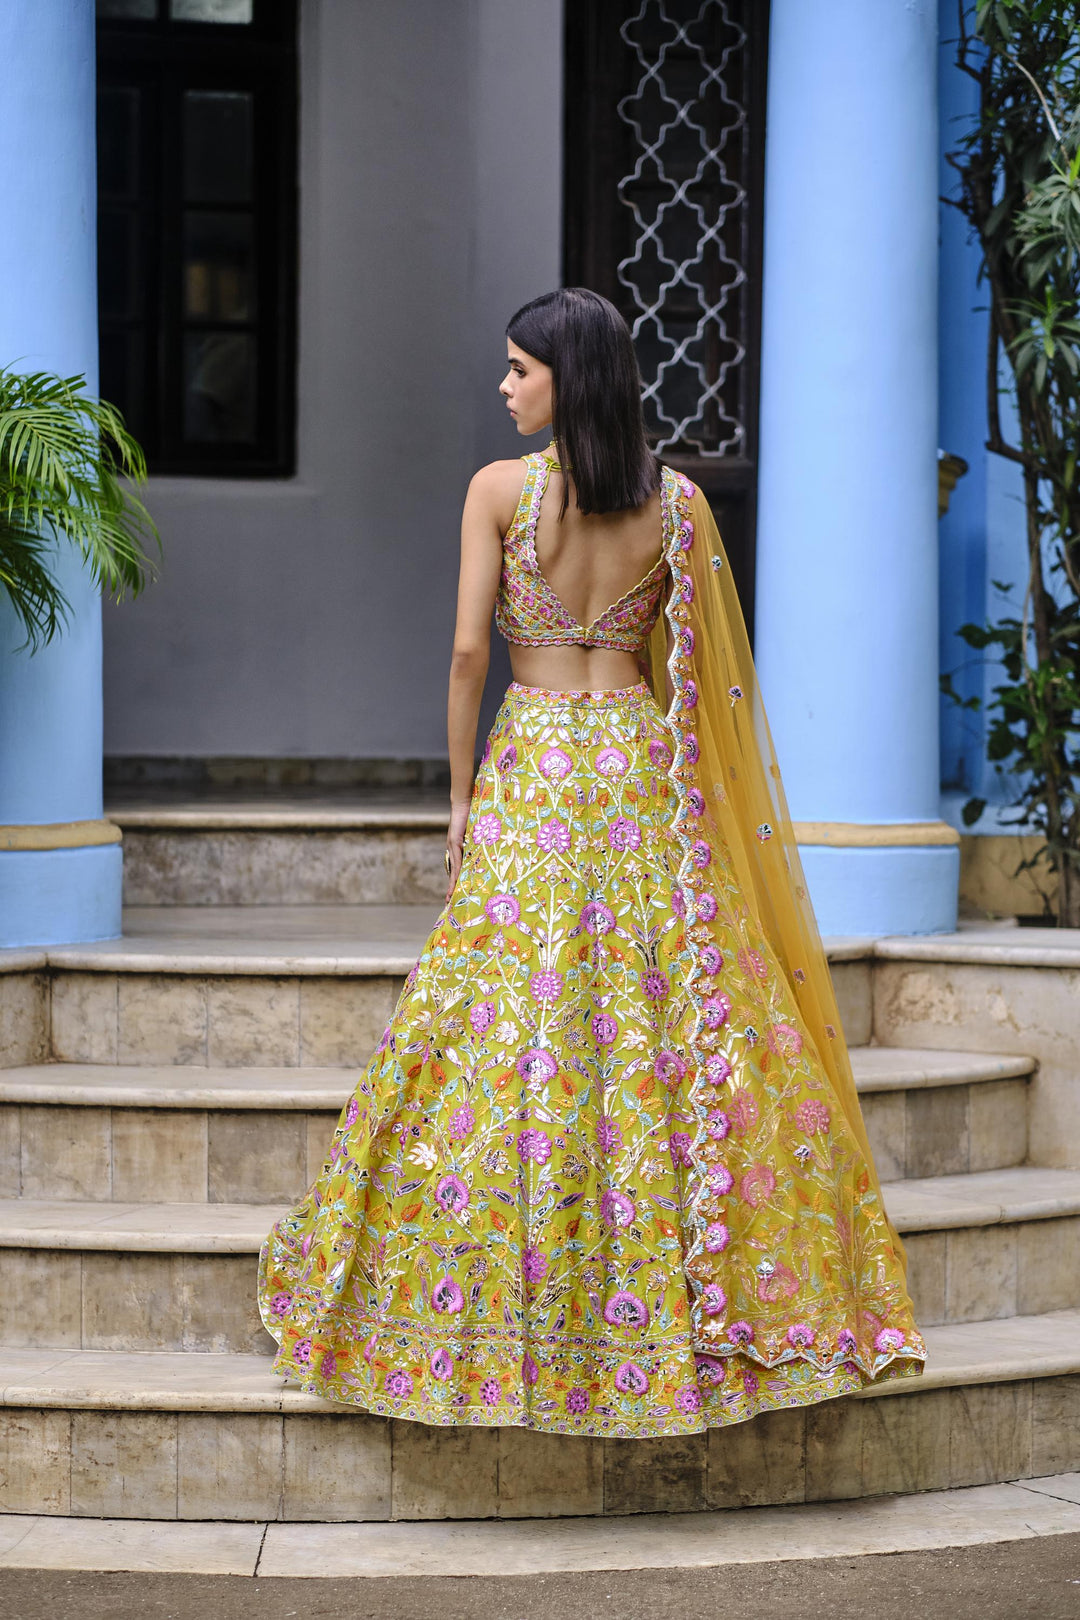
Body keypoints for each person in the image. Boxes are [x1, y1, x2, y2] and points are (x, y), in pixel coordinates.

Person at [258, 288, 925, 1438]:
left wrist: (459, 797)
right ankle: (689, 1300)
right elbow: (702, 682)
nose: (505, 386)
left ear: (568, 378)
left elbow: (469, 653)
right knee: (653, 1015)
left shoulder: (499, 492)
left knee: (502, 1013)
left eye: (520, 368)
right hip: (633, 770)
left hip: (534, 769)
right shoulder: (677, 505)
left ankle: (479, 1307)